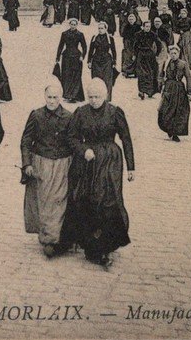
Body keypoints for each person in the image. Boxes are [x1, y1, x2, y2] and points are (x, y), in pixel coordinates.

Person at [60, 78, 134, 268]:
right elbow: (71, 137)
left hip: (110, 162)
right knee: (88, 199)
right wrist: (84, 150)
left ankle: (106, 246)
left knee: (109, 201)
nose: (94, 100)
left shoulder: (115, 112)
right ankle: (91, 245)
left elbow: (126, 138)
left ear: (106, 95)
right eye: (91, 96)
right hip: (88, 163)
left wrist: (131, 167)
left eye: (97, 96)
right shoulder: (81, 113)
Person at [21, 81, 74, 257]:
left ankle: (55, 239)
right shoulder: (36, 115)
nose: (52, 101)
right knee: (43, 201)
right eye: (49, 97)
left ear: (61, 98)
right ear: (45, 97)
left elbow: (74, 142)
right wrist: (27, 163)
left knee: (59, 200)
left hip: (61, 163)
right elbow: (26, 141)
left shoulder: (68, 117)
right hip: (41, 163)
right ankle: (47, 238)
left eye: (55, 98)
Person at [158, 45, 191, 142]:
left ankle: (175, 132)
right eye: (171, 53)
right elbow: (161, 74)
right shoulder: (166, 63)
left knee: (178, 111)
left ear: (178, 54)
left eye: (175, 53)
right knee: (166, 109)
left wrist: (190, 92)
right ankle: (168, 129)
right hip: (168, 88)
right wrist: (161, 85)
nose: (173, 55)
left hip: (179, 90)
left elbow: (188, 77)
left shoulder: (183, 64)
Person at [54, 18, 87, 103]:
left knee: (76, 76)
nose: (73, 26)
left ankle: (75, 95)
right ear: (69, 25)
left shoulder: (80, 34)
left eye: (74, 24)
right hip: (66, 57)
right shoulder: (64, 34)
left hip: (76, 57)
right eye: (71, 24)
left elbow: (84, 46)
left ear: (76, 25)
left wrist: (82, 56)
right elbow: (60, 46)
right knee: (66, 75)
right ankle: (68, 95)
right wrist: (57, 57)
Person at [87, 21, 118, 101]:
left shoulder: (110, 38)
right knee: (96, 79)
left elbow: (113, 50)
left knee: (107, 80)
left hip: (107, 61)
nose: (100, 30)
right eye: (99, 28)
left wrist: (114, 61)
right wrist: (89, 61)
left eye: (102, 28)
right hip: (96, 61)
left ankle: (106, 98)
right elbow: (91, 50)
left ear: (106, 29)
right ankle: (96, 97)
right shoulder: (94, 37)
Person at [133, 20, 160, 99]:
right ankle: (141, 91)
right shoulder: (138, 34)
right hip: (141, 55)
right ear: (143, 27)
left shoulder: (153, 34)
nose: (148, 28)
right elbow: (135, 45)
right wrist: (135, 54)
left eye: (149, 27)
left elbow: (159, 44)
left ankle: (150, 91)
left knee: (151, 73)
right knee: (141, 73)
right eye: (146, 26)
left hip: (150, 55)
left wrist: (157, 54)